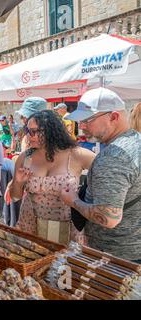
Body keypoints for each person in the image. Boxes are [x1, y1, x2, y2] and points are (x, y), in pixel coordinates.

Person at [60, 88, 141, 263]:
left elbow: (108, 218)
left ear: (114, 117)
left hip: (117, 259)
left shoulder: (113, 156)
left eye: (87, 120)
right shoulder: (136, 141)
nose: (81, 126)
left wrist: (73, 200)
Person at [10, 110, 95, 245]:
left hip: (66, 228)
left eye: (33, 131)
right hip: (30, 225)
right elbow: (15, 197)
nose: (28, 136)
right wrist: (18, 183)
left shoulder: (77, 155)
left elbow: (106, 174)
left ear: (50, 131)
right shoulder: (25, 157)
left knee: (63, 265)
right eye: (27, 130)